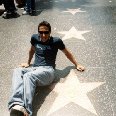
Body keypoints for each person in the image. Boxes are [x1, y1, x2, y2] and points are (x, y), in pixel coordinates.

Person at [8, 21, 85, 116]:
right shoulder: (34, 38)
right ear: (38, 32)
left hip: (48, 71)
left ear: (50, 32)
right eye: (41, 32)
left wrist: (77, 64)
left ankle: (27, 111)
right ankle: (17, 105)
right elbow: (32, 50)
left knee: (28, 76)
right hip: (35, 69)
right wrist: (28, 62)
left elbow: (67, 53)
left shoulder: (56, 41)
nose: (43, 35)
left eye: (46, 32)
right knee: (17, 70)